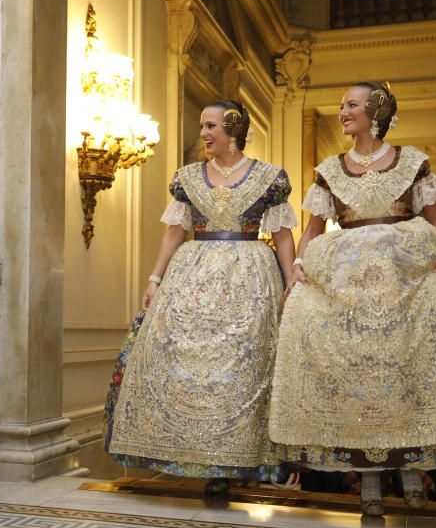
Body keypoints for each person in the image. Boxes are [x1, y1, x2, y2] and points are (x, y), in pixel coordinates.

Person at [269, 82, 436, 517]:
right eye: (342, 106)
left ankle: (411, 475)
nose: (343, 112)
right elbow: (315, 230)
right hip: (348, 286)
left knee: (403, 372)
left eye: (351, 105)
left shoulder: (412, 163)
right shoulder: (329, 169)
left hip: (402, 280)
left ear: (375, 111)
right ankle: (370, 486)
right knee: (362, 377)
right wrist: (299, 265)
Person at [105, 100, 297, 490]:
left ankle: (232, 465)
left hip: (250, 280)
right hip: (192, 277)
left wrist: (290, 280)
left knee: (239, 372)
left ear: (233, 128)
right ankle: (200, 461)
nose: (204, 134)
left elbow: (282, 235)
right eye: (202, 126)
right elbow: (175, 231)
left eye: (211, 126)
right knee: (190, 367)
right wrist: (155, 279)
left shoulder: (269, 178)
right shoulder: (187, 178)